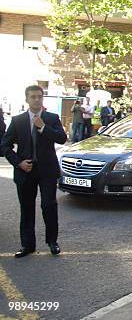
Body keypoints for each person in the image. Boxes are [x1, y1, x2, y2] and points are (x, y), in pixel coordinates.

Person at [0, 85, 67, 258]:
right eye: (33, 97)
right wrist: (19, 163)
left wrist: (43, 127)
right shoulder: (18, 120)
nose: (37, 100)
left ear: (42, 98)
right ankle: (27, 245)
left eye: (39, 97)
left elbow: (62, 138)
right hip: (25, 170)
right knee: (27, 208)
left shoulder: (51, 118)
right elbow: (5, 146)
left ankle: (52, 242)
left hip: (47, 171)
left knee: (48, 205)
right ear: (27, 99)